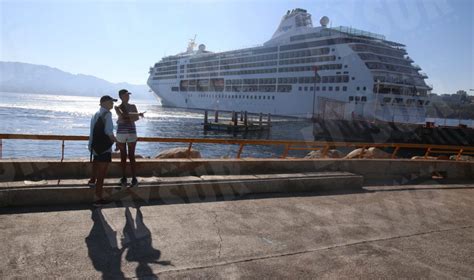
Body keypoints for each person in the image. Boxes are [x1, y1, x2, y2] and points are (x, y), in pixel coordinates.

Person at [88, 95, 117, 206]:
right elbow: (109, 132)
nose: (112, 104)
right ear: (104, 103)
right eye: (111, 102)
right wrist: (118, 143)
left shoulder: (95, 114)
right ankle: (97, 199)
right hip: (104, 148)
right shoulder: (107, 114)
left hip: (95, 147)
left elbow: (92, 132)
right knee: (102, 174)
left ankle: (91, 181)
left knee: (96, 166)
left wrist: (91, 145)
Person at [115, 89, 145, 187]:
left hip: (130, 132)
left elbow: (134, 118)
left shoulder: (133, 106)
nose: (127, 97)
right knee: (123, 156)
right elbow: (122, 115)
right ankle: (124, 177)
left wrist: (127, 117)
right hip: (123, 133)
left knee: (132, 156)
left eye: (128, 95)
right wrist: (136, 115)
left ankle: (134, 178)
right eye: (125, 95)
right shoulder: (117, 107)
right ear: (121, 97)